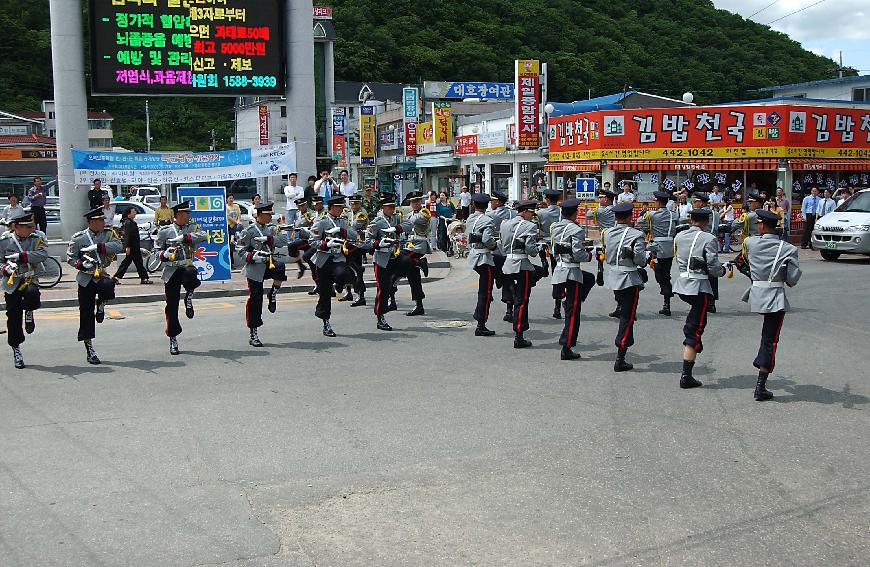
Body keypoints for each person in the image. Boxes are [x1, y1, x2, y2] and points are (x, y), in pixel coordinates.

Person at [737, 209, 802, 401]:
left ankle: (760, 374)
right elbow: (792, 280)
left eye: (758, 224)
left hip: (756, 293)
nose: (757, 226)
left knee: (767, 338)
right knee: (770, 339)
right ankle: (761, 386)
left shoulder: (749, 243)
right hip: (774, 296)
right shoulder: (789, 249)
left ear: (763, 226)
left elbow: (745, 262)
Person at [672, 208, 725, 389]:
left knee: (694, 321)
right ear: (705, 222)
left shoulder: (679, 236)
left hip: (682, 284)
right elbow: (713, 267)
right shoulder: (709, 238)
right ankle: (686, 375)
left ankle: (693, 346)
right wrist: (723, 270)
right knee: (695, 328)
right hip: (699, 286)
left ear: (691, 220)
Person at [66, 207, 123, 364]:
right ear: (91, 222)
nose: (102, 223)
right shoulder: (79, 238)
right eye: (99, 221)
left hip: (102, 274)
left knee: (108, 286)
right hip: (86, 277)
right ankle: (89, 346)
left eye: (103, 220)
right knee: (85, 313)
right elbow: (70, 258)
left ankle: (102, 304)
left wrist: (100, 247)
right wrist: (81, 264)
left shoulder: (108, 234)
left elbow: (119, 246)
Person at [155, 201, 207, 355]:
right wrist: (163, 255)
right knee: (171, 306)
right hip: (171, 270)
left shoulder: (192, 228)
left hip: (186, 266)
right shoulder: (165, 231)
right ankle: (173, 338)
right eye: (186, 213)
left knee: (191, 275)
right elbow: (155, 251)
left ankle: (189, 296)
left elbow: (203, 235)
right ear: (178, 215)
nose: (188, 216)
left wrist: (185, 238)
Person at [604, 202, 650, 372]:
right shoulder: (636, 234)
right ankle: (620, 356)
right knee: (628, 317)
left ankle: (621, 354)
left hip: (614, 275)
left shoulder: (607, 232)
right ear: (631, 217)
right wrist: (644, 259)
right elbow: (639, 259)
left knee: (624, 312)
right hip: (628, 278)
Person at [0, 210, 49, 369]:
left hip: (29, 278)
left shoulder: (36, 238)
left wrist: (22, 257)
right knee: (13, 317)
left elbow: (43, 254)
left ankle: (29, 311)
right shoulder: (4, 241)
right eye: (27, 226)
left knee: (32, 295)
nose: (30, 229)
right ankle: (16, 349)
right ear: (16, 227)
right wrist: (4, 268)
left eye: (31, 225)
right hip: (11, 282)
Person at [237, 202, 289, 347]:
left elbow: (284, 240)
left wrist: (270, 239)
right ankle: (253, 332)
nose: (270, 218)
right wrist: (252, 257)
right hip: (255, 267)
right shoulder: (249, 231)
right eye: (267, 215)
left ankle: (273, 293)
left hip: (269, 262)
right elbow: (240, 249)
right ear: (259, 215)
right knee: (255, 299)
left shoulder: (271, 229)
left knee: (280, 268)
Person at [550, 198, 596, 360]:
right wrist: (590, 255)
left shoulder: (555, 227)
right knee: (573, 312)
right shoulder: (576, 230)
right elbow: (578, 254)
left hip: (559, 269)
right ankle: (567, 346)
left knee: (589, 278)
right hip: (572, 273)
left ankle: (567, 302)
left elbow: (554, 248)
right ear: (575, 213)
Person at [311, 195, 358, 337]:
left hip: (338, 258)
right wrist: (325, 244)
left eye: (342, 207)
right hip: (324, 259)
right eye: (338, 207)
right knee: (325, 293)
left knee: (347, 275)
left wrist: (342, 231)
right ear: (331, 208)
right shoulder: (321, 221)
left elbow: (354, 235)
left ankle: (339, 283)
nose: (341, 209)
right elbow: (312, 242)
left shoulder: (343, 221)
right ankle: (326, 322)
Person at [500, 200, 543, 349]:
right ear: (525, 212)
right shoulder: (529, 226)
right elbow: (531, 250)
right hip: (521, 266)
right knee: (522, 300)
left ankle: (516, 327)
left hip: (507, 265)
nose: (532, 216)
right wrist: (537, 249)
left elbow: (503, 243)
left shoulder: (505, 224)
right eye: (531, 213)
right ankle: (519, 335)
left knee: (514, 296)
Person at [637, 191, 678, 316]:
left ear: (658, 202)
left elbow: (640, 221)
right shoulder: (673, 215)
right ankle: (667, 299)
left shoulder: (652, 215)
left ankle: (667, 295)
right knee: (666, 273)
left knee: (661, 274)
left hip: (658, 247)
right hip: (670, 247)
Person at [366, 194, 402, 331]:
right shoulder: (377, 221)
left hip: (395, 255)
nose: (392, 209)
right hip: (382, 259)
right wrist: (378, 243)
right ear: (383, 207)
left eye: (393, 207)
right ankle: (380, 316)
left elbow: (409, 224)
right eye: (390, 207)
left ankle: (395, 280)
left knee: (408, 263)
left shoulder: (395, 218)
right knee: (382, 289)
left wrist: (398, 229)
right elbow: (367, 240)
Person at [466, 193, 498, 336]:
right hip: (484, 257)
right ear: (486, 206)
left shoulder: (470, 218)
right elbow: (488, 240)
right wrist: (494, 246)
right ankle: (481, 323)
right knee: (486, 292)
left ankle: (479, 316)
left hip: (473, 255)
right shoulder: (487, 220)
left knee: (484, 291)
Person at [397, 191, 432, 316]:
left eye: (417, 201)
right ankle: (419, 305)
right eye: (412, 202)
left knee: (401, 260)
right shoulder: (410, 214)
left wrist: (401, 222)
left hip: (419, 246)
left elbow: (414, 221)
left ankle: (420, 261)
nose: (415, 204)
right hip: (410, 245)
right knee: (413, 276)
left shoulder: (424, 212)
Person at [486, 190, 516, 322]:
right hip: (511, 250)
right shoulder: (513, 213)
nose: (490, 203)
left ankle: (489, 294)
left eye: (492, 200)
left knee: (489, 274)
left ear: (497, 202)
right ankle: (509, 310)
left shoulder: (490, 215)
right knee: (508, 280)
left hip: (496, 250)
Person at [592, 188, 620, 318]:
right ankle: (620, 304)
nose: (599, 200)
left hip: (605, 239)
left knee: (601, 253)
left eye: (600, 198)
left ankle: (600, 266)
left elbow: (588, 215)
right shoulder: (617, 210)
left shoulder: (600, 211)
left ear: (606, 199)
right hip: (617, 240)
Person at [537, 189, 563, 319]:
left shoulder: (541, 213)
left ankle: (542, 260)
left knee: (540, 246)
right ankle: (557, 306)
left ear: (547, 200)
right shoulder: (562, 212)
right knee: (558, 274)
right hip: (559, 244)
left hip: (544, 241)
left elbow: (537, 228)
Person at [339, 194, 369, 307]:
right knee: (347, 268)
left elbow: (353, 228)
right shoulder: (347, 212)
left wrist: (343, 227)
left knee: (357, 271)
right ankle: (348, 292)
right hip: (347, 243)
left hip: (358, 245)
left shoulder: (362, 213)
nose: (354, 205)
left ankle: (360, 296)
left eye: (356, 203)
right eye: (352, 203)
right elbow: (343, 223)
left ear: (360, 203)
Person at [113, 206, 152, 285]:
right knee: (138, 263)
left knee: (128, 263)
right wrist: (127, 247)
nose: (135, 213)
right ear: (129, 214)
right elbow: (127, 236)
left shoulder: (131, 222)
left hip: (134, 246)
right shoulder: (128, 223)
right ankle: (144, 278)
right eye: (133, 212)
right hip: (132, 247)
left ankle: (116, 278)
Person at [226, 194, 242, 267]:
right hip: (229, 227)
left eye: (232, 198)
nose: (231, 200)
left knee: (235, 244)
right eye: (229, 198)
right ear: (227, 199)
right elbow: (228, 216)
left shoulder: (236, 206)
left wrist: (238, 221)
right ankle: (231, 263)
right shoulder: (225, 207)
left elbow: (239, 215)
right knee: (230, 245)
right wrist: (236, 222)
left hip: (235, 227)